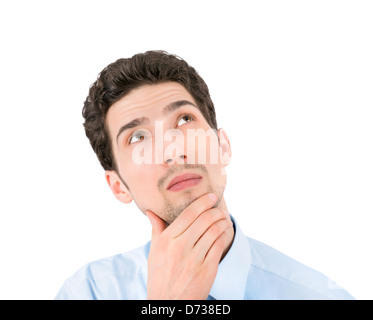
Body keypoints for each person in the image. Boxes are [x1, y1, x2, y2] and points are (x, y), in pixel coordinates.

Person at [56, 51, 353, 300]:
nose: (172, 150)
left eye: (185, 119)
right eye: (138, 137)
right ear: (118, 186)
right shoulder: (89, 291)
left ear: (222, 146)